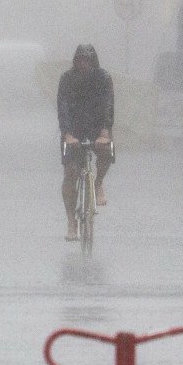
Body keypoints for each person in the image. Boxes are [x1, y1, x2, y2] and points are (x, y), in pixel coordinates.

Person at [57, 44, 114, 241]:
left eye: (88, 61)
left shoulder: (103, 79)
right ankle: (72, 222)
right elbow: (62, 107)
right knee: (70, 173)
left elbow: (108, 106)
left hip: (97, 127)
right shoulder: (67, 80)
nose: (84, 65)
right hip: (73, 128)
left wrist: (105, 131)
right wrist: (67, 134)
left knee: (106, 150)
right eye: (80, 60)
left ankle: (98, 183)